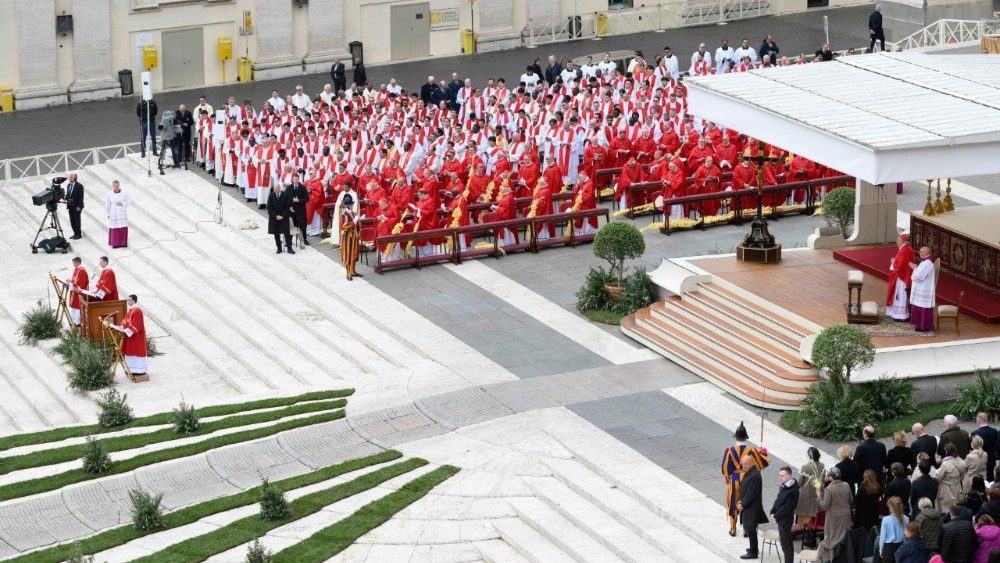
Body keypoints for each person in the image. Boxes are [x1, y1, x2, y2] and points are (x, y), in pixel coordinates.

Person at [721, 422, 770, 537]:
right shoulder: (751, 451)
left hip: (735, 480)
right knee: (748, 503)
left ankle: (733, 529)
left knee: (733, 503)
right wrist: (763, 453)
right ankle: (747, 530)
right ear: (746, 437)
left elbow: (726, 469)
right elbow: (761, 464)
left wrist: (730, 477)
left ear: (736, 437)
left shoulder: (730, 451)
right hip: (748, 479)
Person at [818, 466, 852, 561]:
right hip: (846, 515)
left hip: (833, 517)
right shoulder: (846, 485)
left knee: (832, 538)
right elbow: (851, 500)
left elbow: (824, 505)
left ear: (831, 477)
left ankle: (833, 559)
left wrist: (819, 497)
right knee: (844, 536)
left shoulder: (829, 489)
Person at [738, 454, 768, 559]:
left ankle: (753, 552)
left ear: (751, 463)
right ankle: (753, 548)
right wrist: (741, 501)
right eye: (742, 464)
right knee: (750, 529)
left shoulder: (754, 475)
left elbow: (751, 494)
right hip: (749, 506)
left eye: (745, 464)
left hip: (752, 508)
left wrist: (742, 504)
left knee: (751, 529)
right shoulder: (750, 472)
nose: (743, 466)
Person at [111, 294, 148, 377]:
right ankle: (132, 370)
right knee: (131, 352)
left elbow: (137, 324)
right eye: (128, 300)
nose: (128, 301)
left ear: (134, 301)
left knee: (136, 352)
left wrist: (125, 330)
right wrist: (120, 327)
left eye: (129, 300)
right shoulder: (131, 310)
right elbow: (126, 322)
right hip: (130, 337)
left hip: (136, 338)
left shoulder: (137, 311)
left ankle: (139, 370)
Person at [769, 466, 799, 563]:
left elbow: (788, 507)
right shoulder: (784, 486)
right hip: (780, 517)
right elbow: (778, 500)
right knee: (784, 542)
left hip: (786, 519)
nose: (780, 477)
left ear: (789, 475)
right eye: (780, 475)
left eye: (782, 476)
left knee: (786, 543)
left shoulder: (793, 490)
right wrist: (772, 511)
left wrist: (776, 515)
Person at [886, 234, 915, 321]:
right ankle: (899, 314)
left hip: (902, 278)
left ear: (903, 241)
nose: (896, 241)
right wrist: (895, 261)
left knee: (900, 295)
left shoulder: (904, 250)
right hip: (904, 275)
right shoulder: (905, 248)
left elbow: (900, 266)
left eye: (898, 240)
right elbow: (902, 262)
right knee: (900, 295)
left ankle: (900, 316)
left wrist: (893, 262)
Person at [796, 447, 825, 531]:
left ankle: (805, 531)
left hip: (807, 495)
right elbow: (822, 481)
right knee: (816, 513)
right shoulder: (822, 466)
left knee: (805, 513)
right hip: (818, 493)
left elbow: (800, 482)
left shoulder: (805, 467)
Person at [909, 246, 936, 331]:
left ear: (926, 253)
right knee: (918, 307)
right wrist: (916, 268)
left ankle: (923, 326)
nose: (919, 253)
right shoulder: (924, 262)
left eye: (921, 251)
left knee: (923, 309)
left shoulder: (927, 263)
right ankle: (919, 325)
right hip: (921, 289)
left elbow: (918, 276)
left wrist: (914, 268)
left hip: (924, 290)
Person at [938, 444, 968, 514]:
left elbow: (938, 478)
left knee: (947, 511)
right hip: (957, 488)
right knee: (957, 510)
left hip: (946, 491)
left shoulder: (945, 464)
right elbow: (962, 477)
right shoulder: (962, 462)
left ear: (947, 452)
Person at [331, 180, 360, 248]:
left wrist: (352, 212)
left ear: (349, 187)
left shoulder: (354, 194)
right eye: (343, 187)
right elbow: (338, 203)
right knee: (341, 227)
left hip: (349, 216)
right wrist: (340, 206)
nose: (344, 189)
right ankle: (340, 241)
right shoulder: (342, 193)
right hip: (341, 214)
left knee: (348, 228)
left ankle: (349, 244)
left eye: (345, 187)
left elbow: (355, 205)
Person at [971, 413, 999, 482]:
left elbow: (972, 447)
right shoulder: (994, 431)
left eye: (976, 419)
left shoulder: (975, 433)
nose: (976, 421)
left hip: (979, 459)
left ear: (980, 420)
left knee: (979, 479)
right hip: (991, 459)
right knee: (991, 478)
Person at [267, 183, 294, 254]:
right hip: (275, 218)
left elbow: (287, 207)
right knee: (276, 233)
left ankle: (289, 248)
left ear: (279, 188)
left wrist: (282, 216)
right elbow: (269, 208)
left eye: (276, 189)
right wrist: (276, 216)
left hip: (284, 217)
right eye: (274, 190)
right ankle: (279, 248)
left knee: (287, 233)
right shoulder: (271, 195)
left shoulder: (285, 195)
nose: (275, 191)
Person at [880, 496, 910, 560]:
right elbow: (907, 536)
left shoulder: (885, 519)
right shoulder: (906, 518)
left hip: (889, 548)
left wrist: (881, 549)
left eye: (890, 507)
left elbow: (883, 537)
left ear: (891, 508)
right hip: (902, 546)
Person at [104, 180, 130, 248]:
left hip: (122, 213)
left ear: (119, 185)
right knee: (115, 229)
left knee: (122, 228)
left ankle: (123, 243)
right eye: (115, 186)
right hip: (113, 213)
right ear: (113, 186)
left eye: (118, 186)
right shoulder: (109, 194)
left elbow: (128, 201)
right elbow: (107, 204)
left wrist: (122, 203)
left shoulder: (124, 193)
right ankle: (115, 244)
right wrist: (108, 214)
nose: (117, 187)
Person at [66, 256, 89, 327]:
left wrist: (72, 284)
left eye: (74, 263)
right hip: (74, 292)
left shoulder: (82, 271)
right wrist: (70, 281)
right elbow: (75, 280)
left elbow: (81, 283)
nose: (73, 265)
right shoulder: (76, 269)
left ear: (77, 262)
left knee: (78, 308)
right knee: (74, 308)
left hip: (79, 293)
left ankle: (79, 324)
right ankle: (76, 323)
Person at [339, 206, 361, 281]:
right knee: (348, 255)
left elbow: (357, 224)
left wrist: (358, 221)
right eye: (350, 204)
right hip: (347, 238)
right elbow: (344, 227)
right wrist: (353, 222)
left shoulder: (354, 213)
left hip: (355, 236)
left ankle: (353, 271)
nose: (351, 206)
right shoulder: (343, 215)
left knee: (354, 254)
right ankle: (348, 273)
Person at [288, 174, 310, 245]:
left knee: (303, 225)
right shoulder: (289, 188)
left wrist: (299, 200)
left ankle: (305, 239)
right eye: (294, 179)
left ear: (298, 179)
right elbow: (285, 198)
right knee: (292, 225)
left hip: (301, 210)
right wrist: (291, 201)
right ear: (292, 180)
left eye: (297, 179)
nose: (295, 181)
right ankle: (290, 240)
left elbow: (307, 199)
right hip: (292, 210)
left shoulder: (303, 188)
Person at [65, 173, 84, 240]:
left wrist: (79, 206)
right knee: (72, 221)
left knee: (77, 220)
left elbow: (81, 197)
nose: (70, 178)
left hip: (77, 206)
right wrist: (65, 198)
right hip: (70, 206)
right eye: (69, 177)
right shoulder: (68, 185)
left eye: (71, 177)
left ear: (75, 178)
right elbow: (68, 195)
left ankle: (78, 234)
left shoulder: (79, 186)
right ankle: (75, 233)